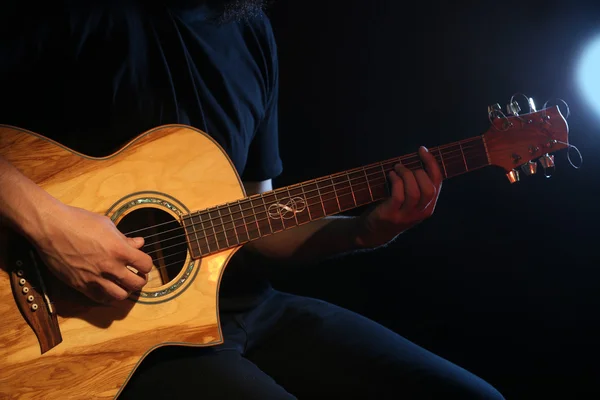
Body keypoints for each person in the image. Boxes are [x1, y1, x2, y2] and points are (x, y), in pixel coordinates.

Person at [0, 1, 505, 399]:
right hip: (114, 331)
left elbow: (258, 221)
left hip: (247, 308)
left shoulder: (251, 31)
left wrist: (366, 230)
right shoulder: (68, 12)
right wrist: (53, 228)